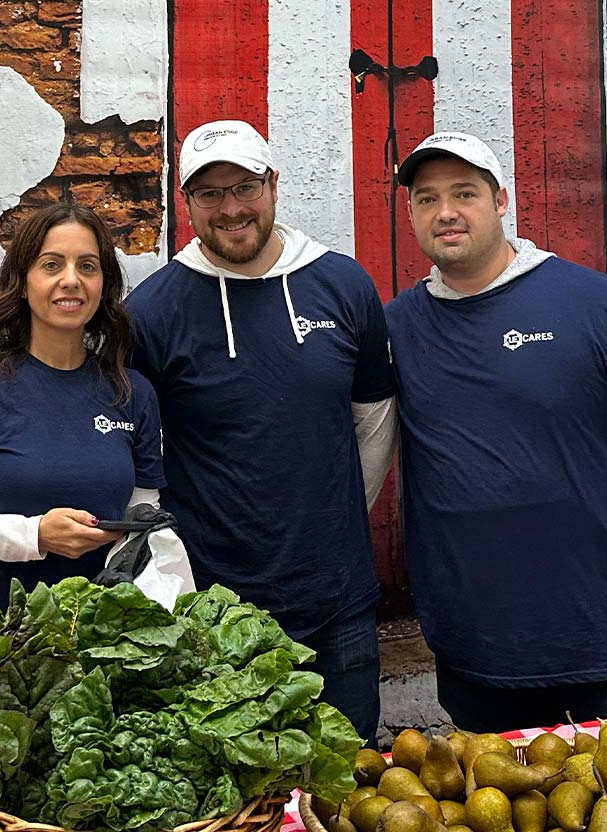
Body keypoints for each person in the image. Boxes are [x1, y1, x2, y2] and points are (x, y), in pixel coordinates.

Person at [383, 132, 607, 732]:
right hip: (474, 649)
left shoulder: (595, 306)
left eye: (465, 193)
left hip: (600, 643)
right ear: (411, 214)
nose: (446, 213)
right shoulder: (396, 328)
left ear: (501, 200)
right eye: (427, 199)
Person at [125, 120, 396, 742]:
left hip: (339, 598)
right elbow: (136, 454)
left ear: (272, 185)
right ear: (185, 202)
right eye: (210, 194)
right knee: (244, 795)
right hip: (216, 608)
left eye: (244, 186)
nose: (231, 209)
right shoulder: (152, 311)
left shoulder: (342, 284)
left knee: (348, 782)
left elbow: (375, 418)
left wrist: (337, 515)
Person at [0, 203, 165, 609]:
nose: (71, 280)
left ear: (104, 285)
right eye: (52, 265)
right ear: (23, 282)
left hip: (107, 648)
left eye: (88, 266)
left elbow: (144, 520)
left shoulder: (133, 394)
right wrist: (35, 535)